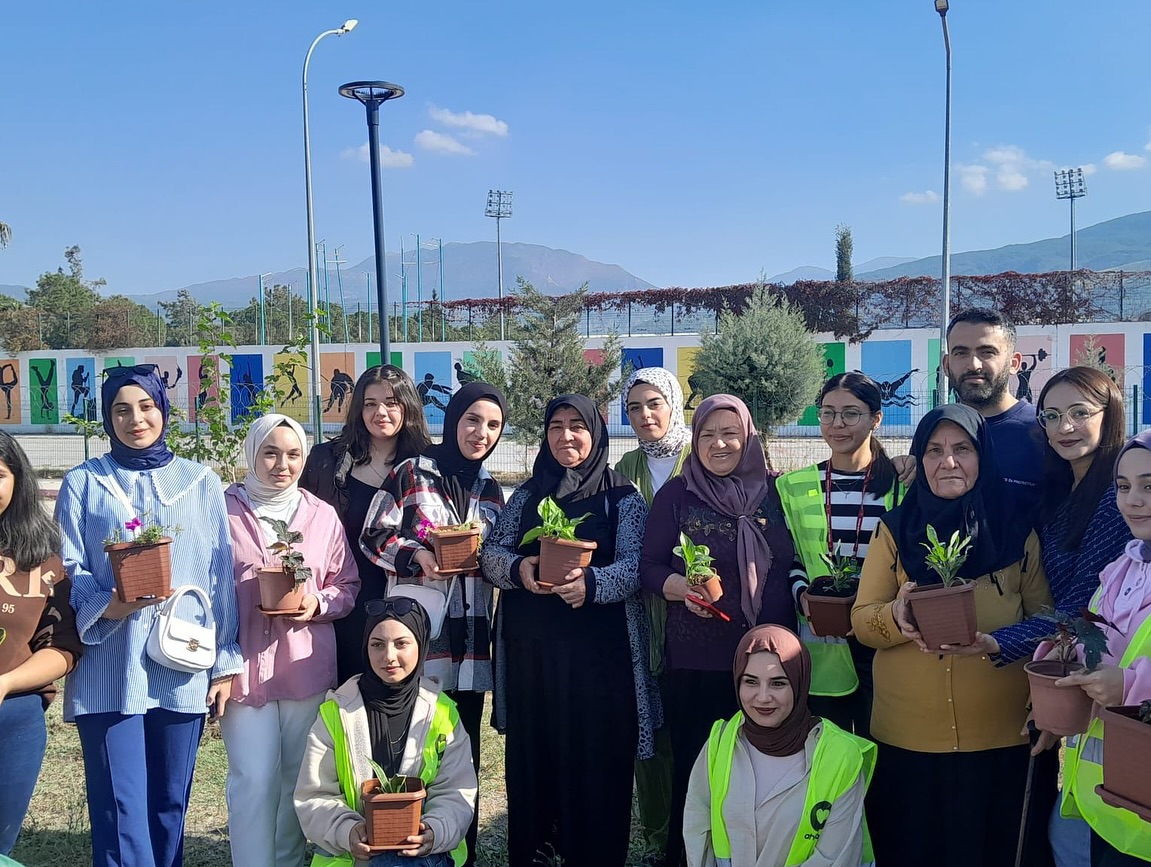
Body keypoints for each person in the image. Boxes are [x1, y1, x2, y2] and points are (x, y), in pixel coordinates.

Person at [849, 404, 1053, 867]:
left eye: (963, 449)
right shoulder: (894, 530)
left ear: (983, 456)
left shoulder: (1018, 533)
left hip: (1003, 739)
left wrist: (1001, 643)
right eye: (934, 451)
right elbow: (861, 621)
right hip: (907, 743)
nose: (949, 462)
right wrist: (896, 617)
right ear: (919, 461)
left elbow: (1049, 625)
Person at [55, 365, 242, 867]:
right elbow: (70, 565)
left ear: (164, 411)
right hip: (109, 668)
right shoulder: (83, 483)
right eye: (120, 409)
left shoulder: (199, 481)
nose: (135, 419)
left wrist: (224, 662)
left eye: (146, 407)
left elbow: (218, 573)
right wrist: (108, 604)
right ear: (106, 417)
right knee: (120, 807)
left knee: (169, 802)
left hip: (180, 664)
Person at [480, 395, 657, 867]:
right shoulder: (527, 494)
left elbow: (638, 567)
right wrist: (522, 570)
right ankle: (537, 851)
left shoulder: (622, 497)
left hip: (600, 664)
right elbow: (490, 555)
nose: (565, 436)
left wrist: (593, 584)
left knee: (596, 761)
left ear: (596, 433)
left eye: (576, 426)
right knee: (536, 757)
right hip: (532, 660)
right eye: (555, 427)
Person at [963, 367, 1129, 867]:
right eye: (1053, 415)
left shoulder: (1113, 500)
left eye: (1081, 413)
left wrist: (1000, 641)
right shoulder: (1058, 488)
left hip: (1105, 671)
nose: (1065, 427)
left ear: (1111, 415)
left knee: (1080, 835)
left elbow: (1081, 607)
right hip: (1066, 663)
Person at [641, 394, 801, 867]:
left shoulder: (779, 492)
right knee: (698, 770)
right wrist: (678, 588)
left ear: (749, 436)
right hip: (698, 662)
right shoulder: (679, 494)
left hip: (771, 663)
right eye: (707, 434)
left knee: (768, 771)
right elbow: (648, 566)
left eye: (730, 432)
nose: (719, 444)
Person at [361, 382, 507, 867]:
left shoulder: (490, 489)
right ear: (454, 421)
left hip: (470, 639)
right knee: (409, 740)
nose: (480, 432)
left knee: (460, 745)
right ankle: (400, 846)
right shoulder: (412, 472)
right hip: (419, 636)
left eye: (491, 425)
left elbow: (498, 556)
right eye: (471, 420)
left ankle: (456, 850)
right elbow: (373, 534)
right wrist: (418, 554)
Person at [221, 414, 361, 867]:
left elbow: (347, 585)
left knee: (297, 780)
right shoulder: (222, 510)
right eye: (270, 452)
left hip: (305, 667)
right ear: (252, 454)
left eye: (294, 454)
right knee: (253, 778)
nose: (282, 464)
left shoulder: (321, 516)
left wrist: (317, 604)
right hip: (243, 669)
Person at [1034, 431, 1151, 866]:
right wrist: (1056, 667)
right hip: (1109, 801)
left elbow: (1125, 672)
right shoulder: (1122, 567)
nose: (1132, 500)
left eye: (1149, 485)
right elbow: (1093, 637)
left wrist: (1130, 686)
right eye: (1123, 487)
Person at [295, 593, 477, 867]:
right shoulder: (336, 713)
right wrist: (348, 832)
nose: (388, 656)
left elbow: (456, 791)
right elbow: (314, 795)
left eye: (401, 643)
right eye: (377, 644)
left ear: (422, 645)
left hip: (424, 858)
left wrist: (434, 831)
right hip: (352, 860)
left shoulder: (443, 712)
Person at [777, 373, 903, 740]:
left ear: (875, 418)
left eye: (851, 413)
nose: (837, 424)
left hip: (883, 641)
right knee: (827, 756)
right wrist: (803, 595)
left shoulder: (901, 486)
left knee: (881, 754)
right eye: (827, 413)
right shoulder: (793, 486)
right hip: (821, 646)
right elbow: (790, 557)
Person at [683, 625, 873, 867]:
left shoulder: (840, 756)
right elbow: (698, 833)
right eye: (751, 682)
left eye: (778, 683)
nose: (763, 697)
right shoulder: (720, 743)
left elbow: (837, 857)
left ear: (799, 683)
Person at [300, 365, 432, 683]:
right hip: (339, 604)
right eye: (370, 403)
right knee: (342, 700)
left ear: (408, 406)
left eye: (390, 402)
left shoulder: (427, 467)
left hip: (402, 604)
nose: (380, 412)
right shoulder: (325, 461)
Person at [615, 366, 690, 861]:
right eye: (635, 407)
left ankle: (699, 828)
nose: (644, 416)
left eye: (653, 404)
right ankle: (660, 833)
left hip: (695, 609)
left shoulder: (699, 454)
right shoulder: (623, 466)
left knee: (695, 718)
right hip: (642, 611)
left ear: (673, 404)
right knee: (651, 722)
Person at [0, 433, 83, 855]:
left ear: (17, 481)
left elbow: (63, 645)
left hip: (14, 718)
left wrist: (6, 684)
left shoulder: (43, 557)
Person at [942, 308, 1046, 496]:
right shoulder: (936, 431)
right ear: (946, 365)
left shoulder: (1042, 430)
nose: (974, 365)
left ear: (1014, 363)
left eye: (987, 352)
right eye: (961, 353)